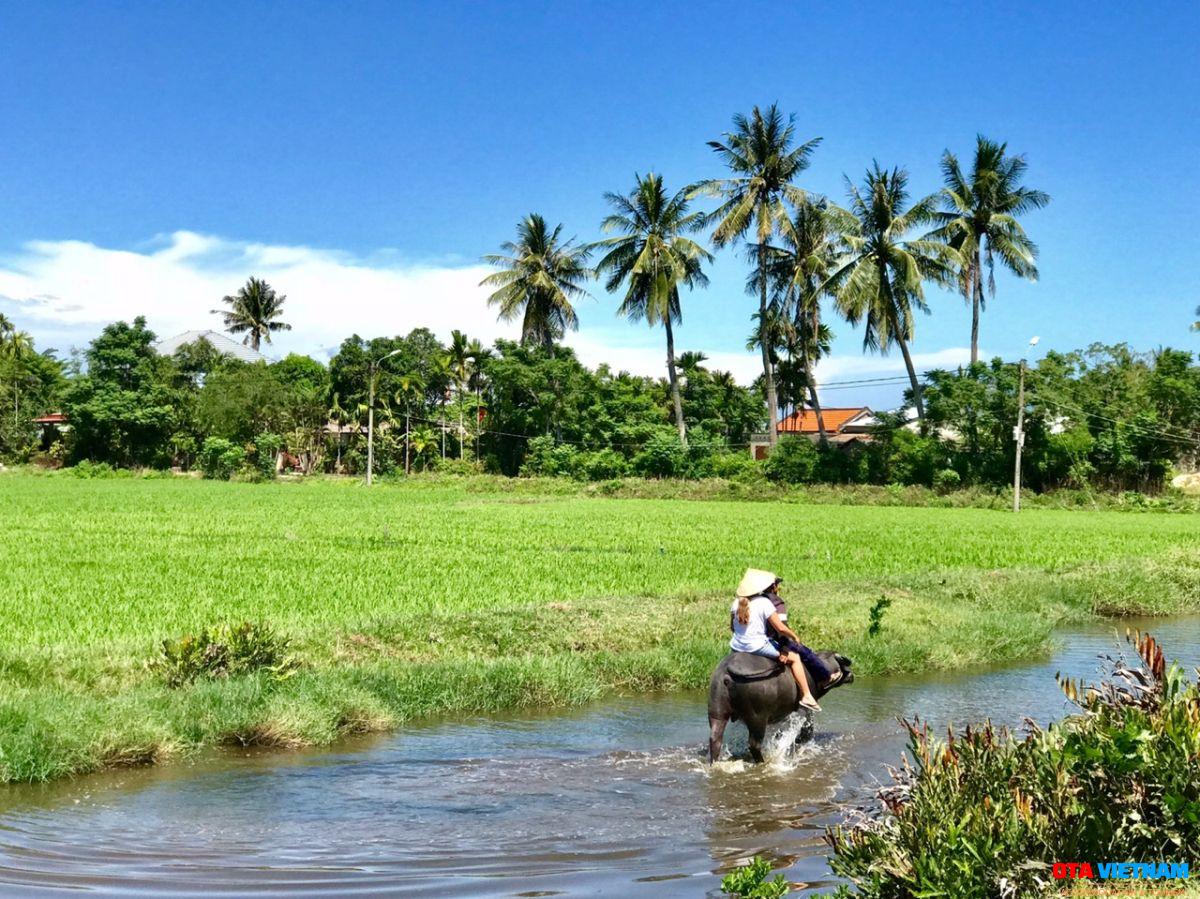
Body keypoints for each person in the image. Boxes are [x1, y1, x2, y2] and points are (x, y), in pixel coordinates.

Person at [729, 568, 821, 711]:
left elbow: (732, 628)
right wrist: (794, 636)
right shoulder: (764, 603)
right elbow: (780, 628)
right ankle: (807, 696)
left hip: (736, 646)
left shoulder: (736, 603)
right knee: (795, 658)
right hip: (757, 646)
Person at [762, 579, 842, 690]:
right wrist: (786, 647)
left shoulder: (757, 600)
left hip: (759, 638)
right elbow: (782, 627)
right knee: (805, 652)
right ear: (774, 586)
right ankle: (825, 678)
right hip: (775, 639)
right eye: (777, 585)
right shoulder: (776, 602)